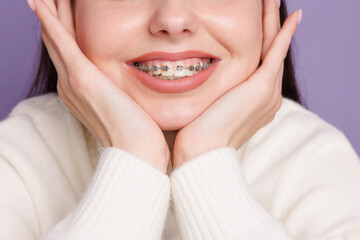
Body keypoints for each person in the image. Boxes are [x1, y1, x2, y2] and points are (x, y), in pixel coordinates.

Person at [1, 0, 359, 238]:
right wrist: (132, 159)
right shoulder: (15, 160)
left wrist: (207, 164)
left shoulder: (318, 163)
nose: (173, 20)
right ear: (65, 8)